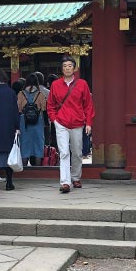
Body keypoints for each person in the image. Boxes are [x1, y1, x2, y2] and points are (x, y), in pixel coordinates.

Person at [47, 56, 94, 194]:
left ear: (74, 68)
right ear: (62, 69)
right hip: (61, 122)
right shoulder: (55, 84)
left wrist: (88, 122)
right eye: (65, 66)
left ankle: (75, 177)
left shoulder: (82, 84)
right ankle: (65, 182)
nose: (67, 68)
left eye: (69, 65)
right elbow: (50, 104)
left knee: (77, 152)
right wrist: (54, 119)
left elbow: (88, 105)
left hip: (78, 122)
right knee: (64, 152)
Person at [17, 74, 46, 166]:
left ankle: (24, 167)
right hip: (38, 121)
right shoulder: (40, 94)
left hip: (24, 122)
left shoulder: (21, 94)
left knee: (24, 143)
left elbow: (18, 108)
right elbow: (44, 108)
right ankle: (37, 168)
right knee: (38, 143)